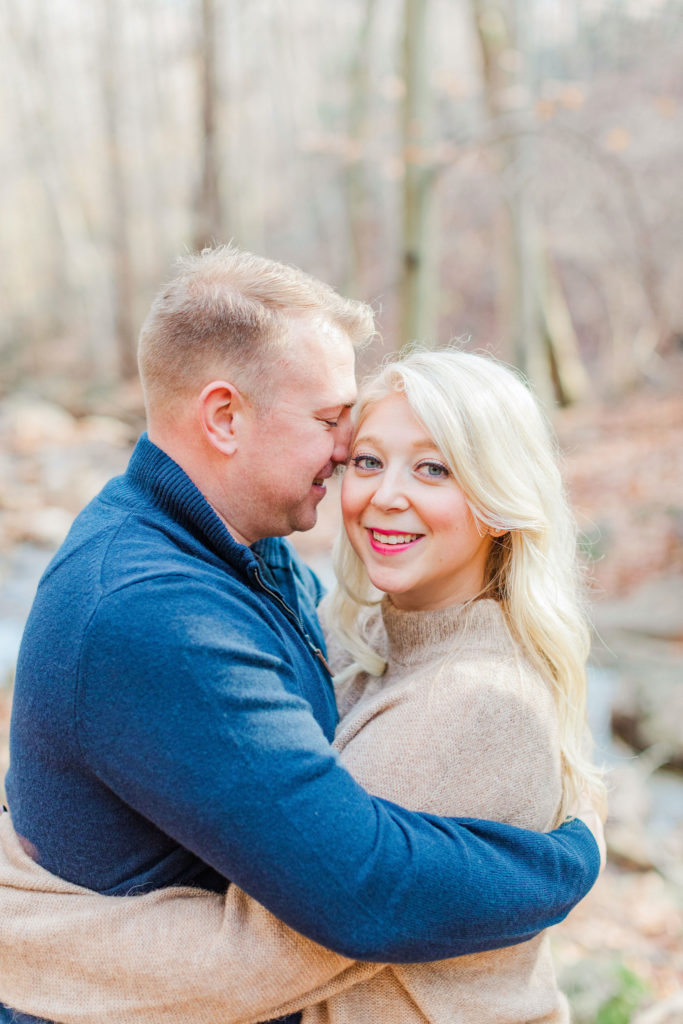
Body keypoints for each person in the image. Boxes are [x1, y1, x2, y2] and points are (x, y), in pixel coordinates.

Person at [0, 248, 603, 1024]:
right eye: (334, 428)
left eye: (431, 469)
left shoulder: (248, 552)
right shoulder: (154, 610)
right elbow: (358, 889)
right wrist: (564, 862)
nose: (345, 464)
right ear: (224, 417)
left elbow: (348, 896)